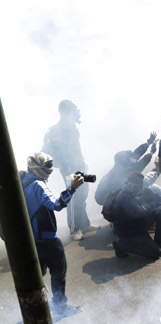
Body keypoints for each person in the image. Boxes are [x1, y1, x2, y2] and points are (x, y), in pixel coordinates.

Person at [20, 152, 84, 316]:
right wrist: (72, 188)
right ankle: (60, 308)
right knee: (58, 273)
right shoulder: (37, 185)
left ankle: (35, 308)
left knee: (37, 275)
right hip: (46, 239)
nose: (51, 169)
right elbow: (56, 204)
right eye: (48, 165)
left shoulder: (23, 182)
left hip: (32, 239)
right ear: (38, 168)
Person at [41, 99, 95, 241]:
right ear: (64, 113)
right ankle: (74, 230)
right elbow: (52, 154)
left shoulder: (72, 128)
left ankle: (84, 224)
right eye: (72, 111)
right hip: (69, 170)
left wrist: (83, 164)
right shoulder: (56, 131)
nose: (76, 114)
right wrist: (66, 169)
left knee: (82, 196)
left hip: (80, 166)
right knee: (73, 199)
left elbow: (76, 149)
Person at [112, 173, 161, 259]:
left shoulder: (142, 190)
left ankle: (160, 241)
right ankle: (121, 245)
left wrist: (148, 205)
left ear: (140, 185)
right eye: (129, 185)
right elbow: (135, 214)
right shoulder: (124, 197)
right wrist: (145, 207)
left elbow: (159, 200)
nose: (132, 188)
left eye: (135, 185)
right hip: (129, 231)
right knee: (155, 253)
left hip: (139, 223)